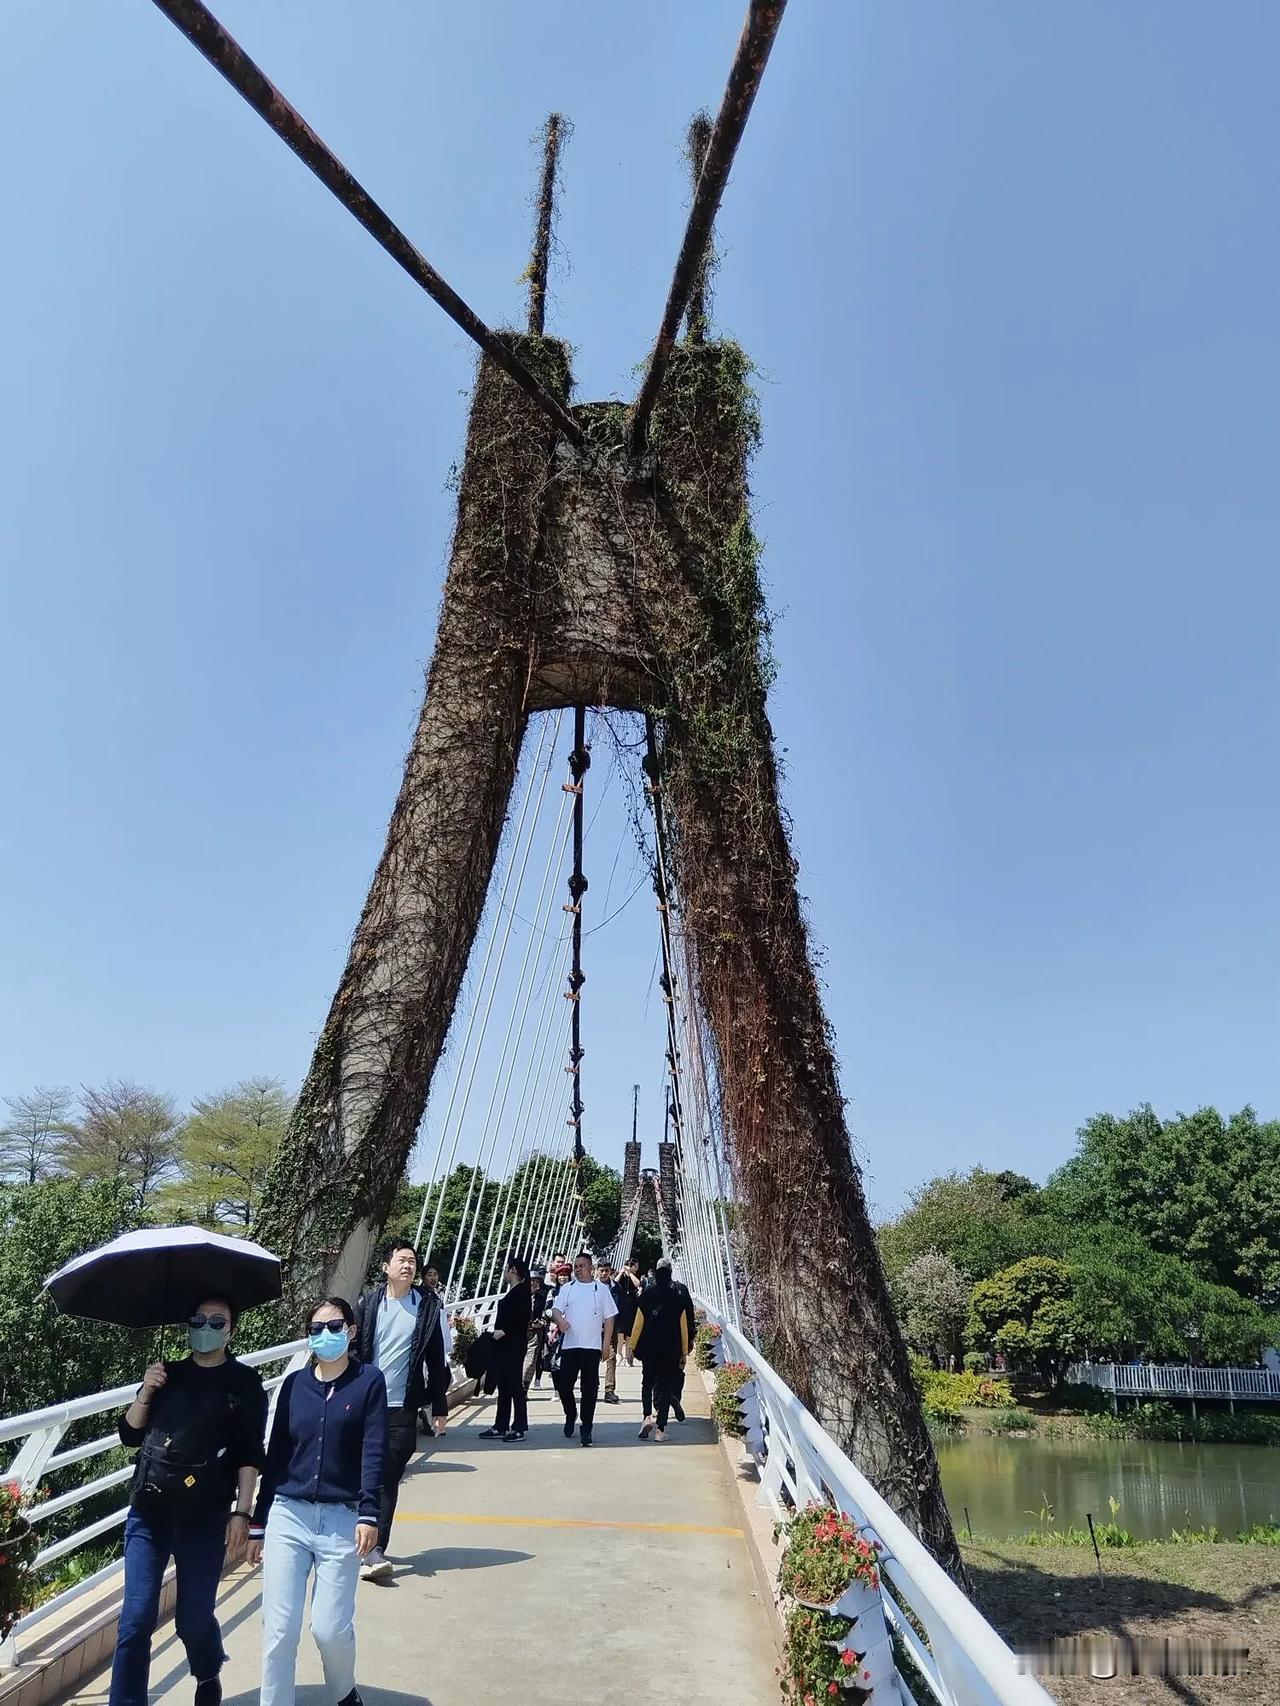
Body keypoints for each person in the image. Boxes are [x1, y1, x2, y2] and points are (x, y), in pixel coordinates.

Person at [110, 1296, 268, 1706]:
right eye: (199, 1319)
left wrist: (243, 1513)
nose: (207, 1327)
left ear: (231, 1330)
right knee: (135, 1621)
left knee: (193, 1621)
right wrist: (146, 1390)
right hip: (149, 1512)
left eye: (218, 1321)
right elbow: (129, 1434)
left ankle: (208, 1667)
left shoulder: (244, 1384)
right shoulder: (168, 1375)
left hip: (206, 1517)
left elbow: (250, 1454)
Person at [247, 1296, 387, 1706]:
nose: (324, 1335)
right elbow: (276, 1457)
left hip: (342, 1518)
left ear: (352, 1331)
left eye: (334, 1326)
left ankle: (344, 1693)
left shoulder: (368, 1382)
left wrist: (369, 1512)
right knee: (279, 1629)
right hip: (289, 1515)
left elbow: (374, 1451)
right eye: (315, 1329)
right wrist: (258, 1522)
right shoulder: (294, 1385)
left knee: (329, 1629)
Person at [354, 1239, 449, 1581]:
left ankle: (375, 1548)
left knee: (388, 1478)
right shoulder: (369, 1303)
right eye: (402, 1260)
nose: (408, 1266)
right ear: (386, 1267)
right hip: (365, 1404)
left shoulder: (426, 1305)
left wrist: (440, 1406)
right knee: (361, 1475)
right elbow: (352, 1350)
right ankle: (359, 1539)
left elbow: (436, 1358)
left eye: (413, 1261)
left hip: (402, 1406)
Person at [550, 1252, 616, 1447]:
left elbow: (610, 1318)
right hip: (570, 1345)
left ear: (591, 1268)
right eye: (576, 1266)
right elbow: (555, 1309)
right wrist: (560, 1320)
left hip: (592, 1347)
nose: (578, 1269)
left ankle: (586, 1428)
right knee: (564, 1385)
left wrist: (606, 1345)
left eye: (582, 1266)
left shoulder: (601, 1290)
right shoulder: (567, 1288)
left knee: (589, 1389)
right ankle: (570, 1414)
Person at [628, 1258, 691, 1441]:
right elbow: (683, 1328)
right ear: (670, 1275)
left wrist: (631, 1347)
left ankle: (646, 1417)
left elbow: (638, 1325)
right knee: (664, 1387)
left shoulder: (646, 1297)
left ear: (655, 1276)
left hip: (649, 1349)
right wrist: (684, 1353)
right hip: (670, 1350)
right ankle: (660, 1431)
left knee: (647, 1383)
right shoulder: (678, 1299)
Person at [480, 1256, 533, 1440]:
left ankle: (519, 1427)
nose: (504, 1273)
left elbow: (524, 1317)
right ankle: (500, 1425)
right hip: (504, 1345)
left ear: (513, 1270)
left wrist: (504, 1331)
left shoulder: (522, 1291)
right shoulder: (515, 1291)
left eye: (506, 1269)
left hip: (513, 1344)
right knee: (503, 1385)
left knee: (514, 1385)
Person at [602, 1258, 640, 1403]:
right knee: (591, 1359)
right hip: (594, 1328)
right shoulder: (593, 1286)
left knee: (610, 1358)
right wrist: (622, 1272)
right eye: (602, 1270)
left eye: (607, 1270)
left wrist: (629, 1274)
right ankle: (590, 1388)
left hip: (613, 1325)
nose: (604, 1273)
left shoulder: (617, 1288)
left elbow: (637, 1285)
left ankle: (609, 1390)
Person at [527, 1263, 551, 1389]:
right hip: (520, 1332)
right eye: (532, 1281)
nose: (535, 1283)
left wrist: (541, 1322)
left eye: (537, 1281)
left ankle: (524, 1387)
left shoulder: (542, 1298)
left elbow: (545, 1313)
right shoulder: (518, 1297)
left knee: (531, 1360)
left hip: (536, 1332)